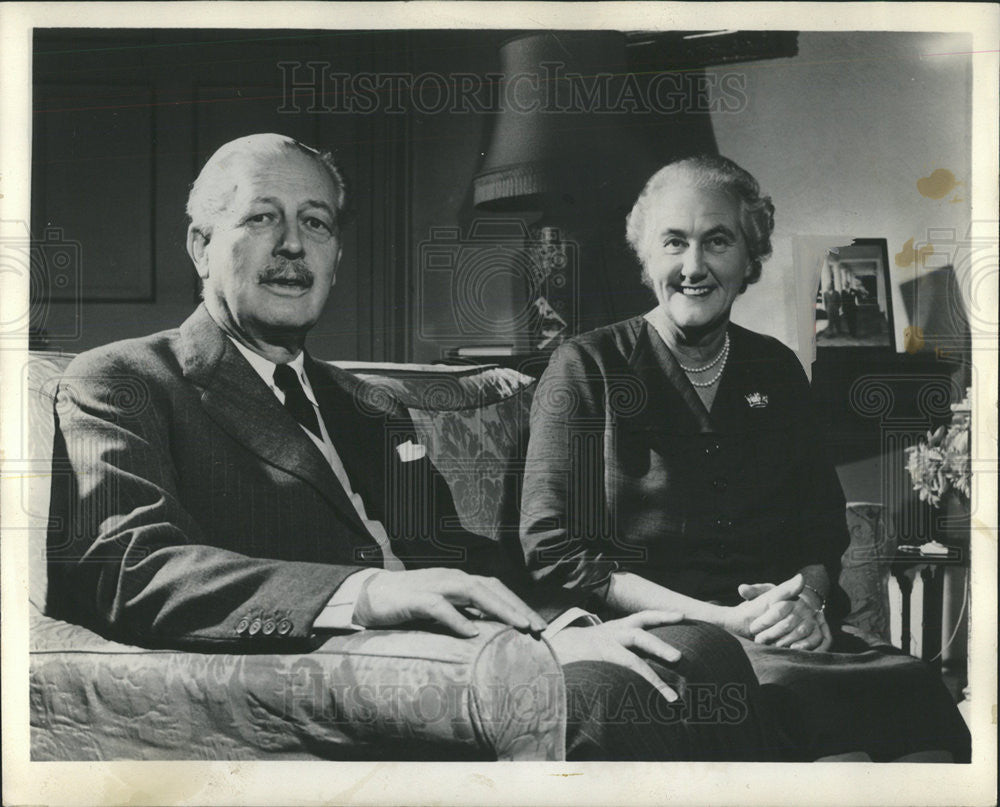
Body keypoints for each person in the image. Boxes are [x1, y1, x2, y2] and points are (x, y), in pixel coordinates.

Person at [46, 134, 776, 761]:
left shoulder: (369, 405)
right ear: (200, 246)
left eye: (317, 223)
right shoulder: (124, 380)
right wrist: (371, 593)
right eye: (262, 218)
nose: (294, 245)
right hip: (331, 680)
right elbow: (130, 568)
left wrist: (563, 628)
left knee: (693, 651)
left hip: (467, 653)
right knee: (611, 696)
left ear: (335, 256)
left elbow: (461, 562)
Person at [520, 154, 971, 762]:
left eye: (718, 241)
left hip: (778, 634)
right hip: (668, 634)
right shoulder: (585, 367)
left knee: (919, 703)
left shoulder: (777, 369)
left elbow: (820, 524)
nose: (693, 266)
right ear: (645, 255)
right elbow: (552, 548)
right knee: (802, 726)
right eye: (674, 242)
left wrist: (808, 602)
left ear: (748, 257)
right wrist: (723, 620)